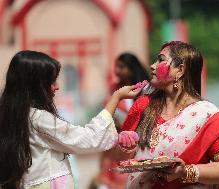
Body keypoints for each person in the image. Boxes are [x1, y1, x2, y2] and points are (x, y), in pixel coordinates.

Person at [0, 50, 141, 189]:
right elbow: (87, 139)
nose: (57, 87)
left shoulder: (11, 114)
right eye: (51, 81)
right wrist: (115, 98)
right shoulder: (38, 118)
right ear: (35, 85)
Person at [115, 41, 219, 188]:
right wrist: (126, 147)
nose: (152, 65)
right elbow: (119, 157)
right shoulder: (143, 106)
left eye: (161, 60)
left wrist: (185, 172)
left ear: (180, 70)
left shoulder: (208, 116)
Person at [96, 53, 149, 189]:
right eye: (116, 66)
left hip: (140, 142)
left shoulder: (145, 89)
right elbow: (107, 109)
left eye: (121, 67)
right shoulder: (114, 89)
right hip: (117, 143)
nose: (117, 70)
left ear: (132, 69)